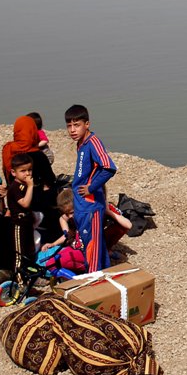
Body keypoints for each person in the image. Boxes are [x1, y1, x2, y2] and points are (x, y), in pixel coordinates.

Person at [66, 104, 117, 272]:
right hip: (82, 205)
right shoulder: (81, 143)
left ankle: (94, 285)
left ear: (87, 124)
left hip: (91, 205)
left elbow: (109, 167)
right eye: (69, 125)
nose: (72, 130)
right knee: (94, 245)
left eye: (77, 125)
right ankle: (105, 279)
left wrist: (92, 187)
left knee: (92, 249)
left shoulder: (93, 142)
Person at [1, 115, 60, 243]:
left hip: (15, 202)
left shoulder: (9, 151)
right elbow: (50, 181)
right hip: (37, 207)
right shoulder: (38, 156)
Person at [5, 153, 38, 284]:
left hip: (27, 223)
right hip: (18, 224)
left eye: (29, 170)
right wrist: (30, 186)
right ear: (14, 172)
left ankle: (29, 277)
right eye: (23, 171)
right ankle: (19, 281)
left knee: (29, 251)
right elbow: (25, 203)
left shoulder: (24, 186)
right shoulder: (14, 188)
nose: (27, 174)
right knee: (20, 253)